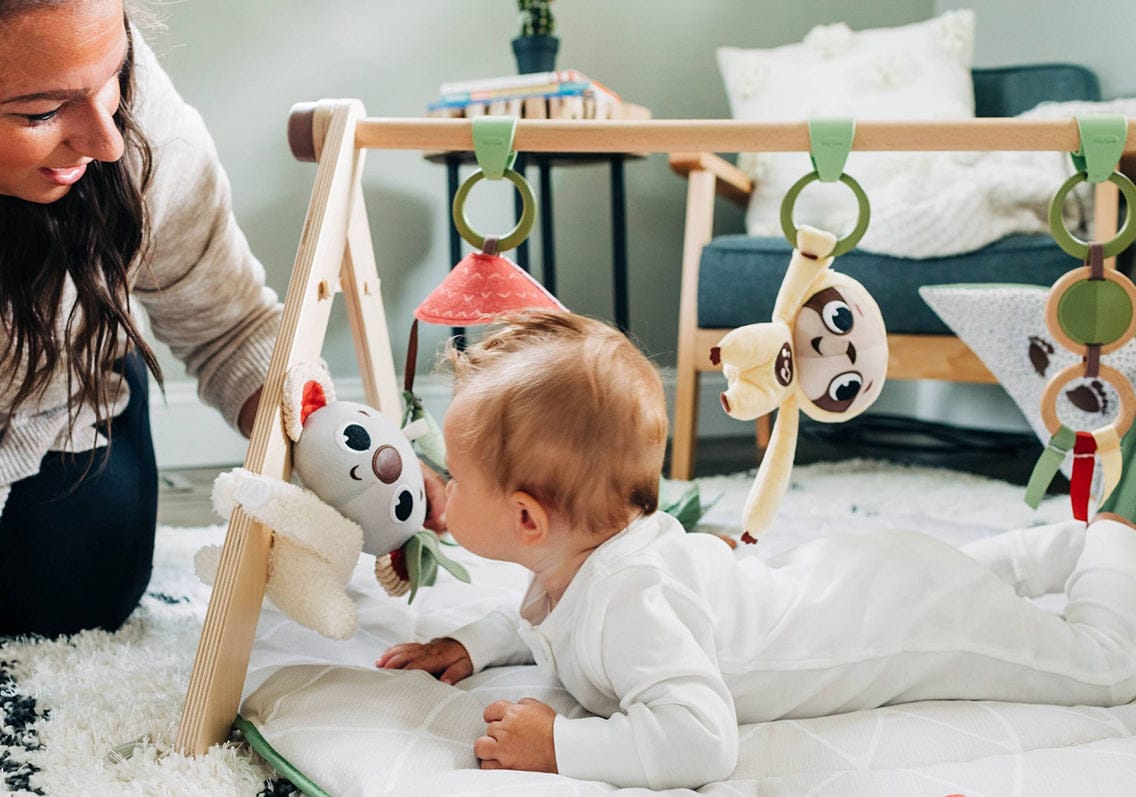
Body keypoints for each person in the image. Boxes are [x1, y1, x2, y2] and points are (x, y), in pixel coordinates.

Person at [377, 308, 1136, 790]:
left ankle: (1112, 528)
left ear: (527, 518)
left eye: (457, 477)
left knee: (1105, 666)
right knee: (967, 573)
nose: (442, 485)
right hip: (862, 575)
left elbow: (701, 741)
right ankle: (1054, 550)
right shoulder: (573, 557)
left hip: (909, 619)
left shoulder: (631, 601)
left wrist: (561, 746)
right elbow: (541, 621)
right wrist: (471, 644)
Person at [0, 0, 446, 636]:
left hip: (62, 395)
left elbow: (230, 328)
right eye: (41, 112)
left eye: (114, 73)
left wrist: (338, 448)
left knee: (79, 590)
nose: (107, 142)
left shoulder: (143, 124)